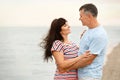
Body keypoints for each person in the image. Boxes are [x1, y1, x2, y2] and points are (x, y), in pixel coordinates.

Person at [69, 3, 108, 80]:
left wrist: (66, 67)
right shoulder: (87, 31)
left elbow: (88, 61)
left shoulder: (99, 35)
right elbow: (82, 51)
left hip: (90, 76)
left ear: (89, 16)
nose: (79, 18)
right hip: (82, 75)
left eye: (81, 16)